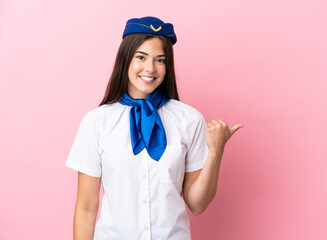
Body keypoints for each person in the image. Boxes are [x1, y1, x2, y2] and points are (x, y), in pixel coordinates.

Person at [65, 16, 243, 240]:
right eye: (141, 57)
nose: (150, 68)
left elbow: (197, 204)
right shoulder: (96, 122)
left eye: (160, 60)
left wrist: (216, 153)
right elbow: (86, 207)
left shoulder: (189, 119)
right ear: (125, 59)